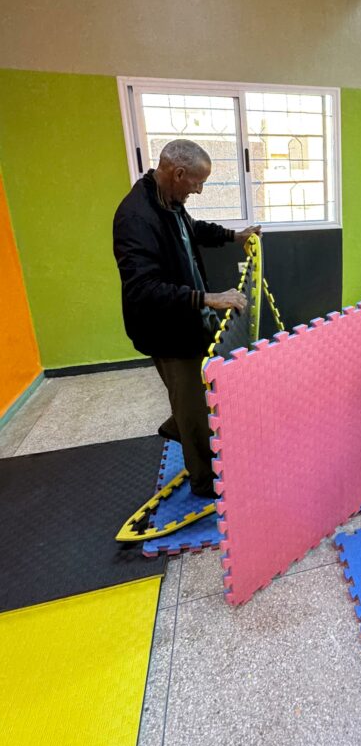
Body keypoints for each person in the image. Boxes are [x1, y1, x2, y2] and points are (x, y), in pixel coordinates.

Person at [113, 138, 259, 498]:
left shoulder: (169, 201)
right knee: (194, 405)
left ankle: (178, 424)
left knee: (199, 394)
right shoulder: (136, 216)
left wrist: (233, 235)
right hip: (166, 331)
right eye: (197, 182)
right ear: (178, 173)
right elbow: (143, 288)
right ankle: (206, 482)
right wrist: (209, 297)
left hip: (189, 320)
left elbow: (192, 231)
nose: (199, 189)